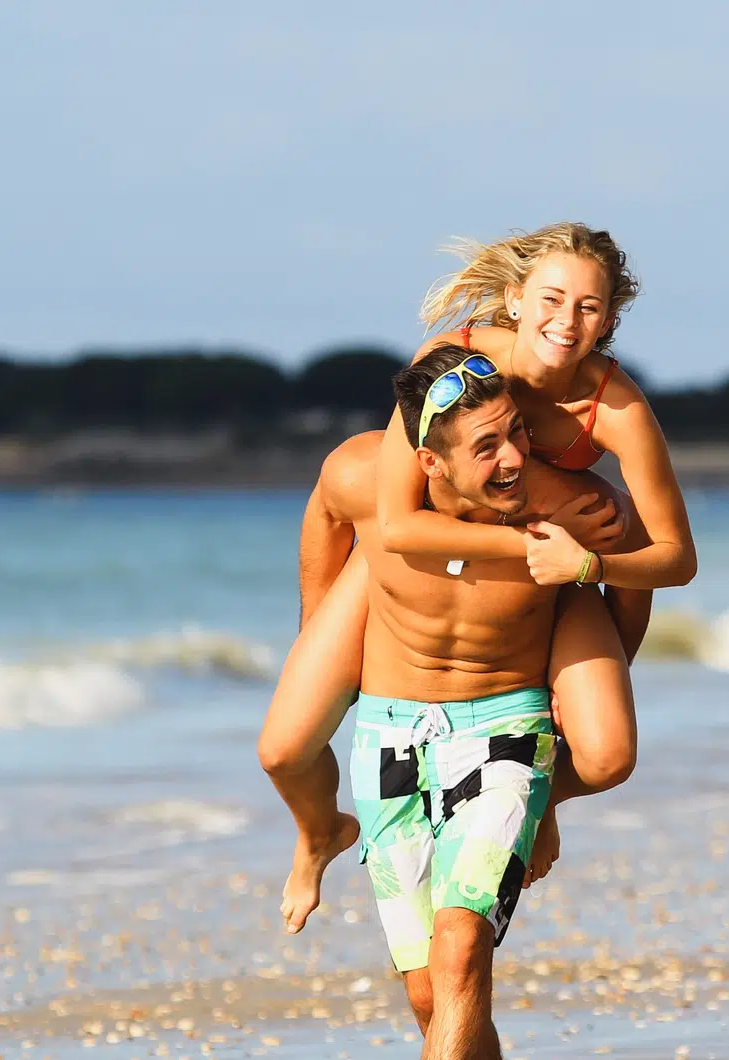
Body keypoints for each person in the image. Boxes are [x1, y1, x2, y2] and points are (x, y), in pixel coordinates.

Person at [262, 346, 631, 1060]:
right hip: (394, 737)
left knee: (463, 950)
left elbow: (628, 584)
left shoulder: (563, 501)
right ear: (429, 463)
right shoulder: (366, 480)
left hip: (505, 726)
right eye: (487, 449)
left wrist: (544, 788)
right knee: (433, 996)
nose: (511, 461)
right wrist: (321, 634)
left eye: (516, 438)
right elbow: (323, 506)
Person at [266, 224, 697, 934]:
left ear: (610, 320)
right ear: (515, 300)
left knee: (609, 739)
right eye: (552, 300)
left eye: (588, 308)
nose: (566, 322)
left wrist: (585, 563)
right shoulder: (456, 359)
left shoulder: (617, 410)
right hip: (460, 547)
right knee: (283, 748)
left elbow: (674, 556)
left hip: (555, 570)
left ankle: (536, 800)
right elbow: (396, 520)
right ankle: (319, 833)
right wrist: (316, 627)